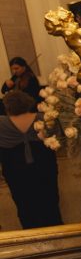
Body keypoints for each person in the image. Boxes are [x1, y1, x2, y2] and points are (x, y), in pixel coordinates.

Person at [0, 90, 62, 229]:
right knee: (50, 201)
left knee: (24, 204)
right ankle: (56, 234)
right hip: (44, 167)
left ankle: (32, 236)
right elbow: (57, 137)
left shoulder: (2, 124)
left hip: (16, 171)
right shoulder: (43, 117)